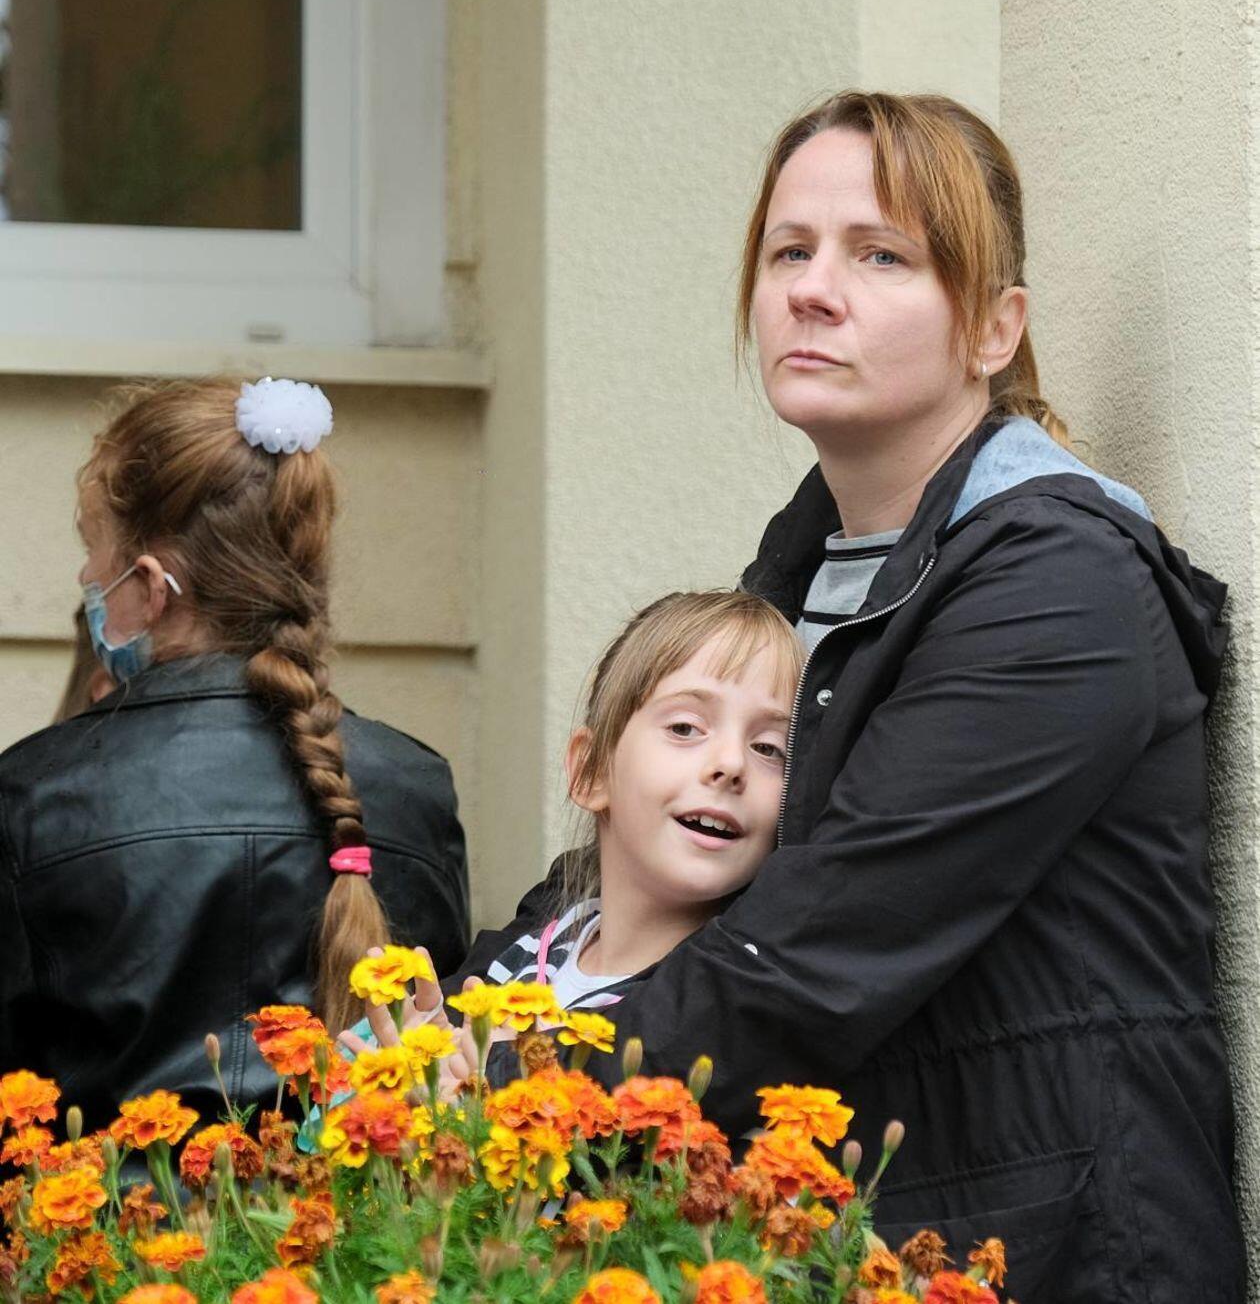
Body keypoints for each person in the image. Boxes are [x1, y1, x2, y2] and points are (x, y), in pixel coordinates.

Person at [462, 93, 1246, 1301]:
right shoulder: (813, 564)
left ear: (994, 328)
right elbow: (649, 869)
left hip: (1050, 1253)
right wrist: (470, 1012)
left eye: (881, 256)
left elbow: (816, 946)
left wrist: (507, 1093)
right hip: (878, 1241)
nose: (814, 291)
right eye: (790, 251)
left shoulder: (1056, 582)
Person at [0, 377, 469, 1133]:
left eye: (93, 548)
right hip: (360, 1209)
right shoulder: (416, 786)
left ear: (151, 586)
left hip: (105, 1206)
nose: (86, 577)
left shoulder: (30, 794)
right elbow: (434, 1054)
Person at [340, 590, 802, 1076]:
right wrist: (424, 1076)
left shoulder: (734, 1007)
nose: (731, 763)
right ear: (591, 771)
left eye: (769, 748)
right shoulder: (523, 954)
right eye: (685, 728)